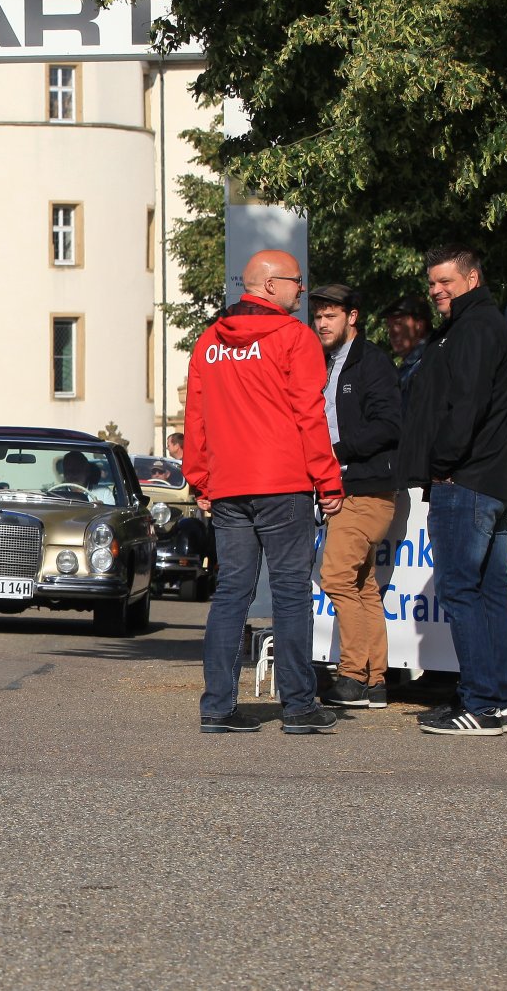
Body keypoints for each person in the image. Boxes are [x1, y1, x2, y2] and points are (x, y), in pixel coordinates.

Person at [185, 250, 344, 735]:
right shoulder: (295, 338)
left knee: (231, 592)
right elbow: (309, 414)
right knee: (291, 593)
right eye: (297, 281)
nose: (302, 289)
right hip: (283, 483)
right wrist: (328, 479)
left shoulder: (209, 341)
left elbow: (196, 417)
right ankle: (298, 707)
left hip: (230, 486)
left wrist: (200, 479)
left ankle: (217, 707)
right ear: (271, 285)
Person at [397, 245, 507, 736]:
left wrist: (442, 464)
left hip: (466, 481)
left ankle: (481, 703)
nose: (436, 290)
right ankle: (497, 701)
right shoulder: (490, 326)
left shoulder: (473, 328)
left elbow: (466, 406)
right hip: (490, 481)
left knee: (460, 589)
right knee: (491, 593)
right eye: (431, 283)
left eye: (445, 281)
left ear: (472, 279)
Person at [308, 284, 402, 710]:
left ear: (352, 317)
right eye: (318, 316)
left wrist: (336, 452)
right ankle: (376, 680)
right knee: (363, 586)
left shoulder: (372, 362)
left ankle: (352, 676)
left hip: (365, 488)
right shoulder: (328, 362)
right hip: (348, 487)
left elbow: (389, 425)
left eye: (331, 315)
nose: (322, 323)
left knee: (335, 578)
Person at [381, 296, 431, 408]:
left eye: (398, 324)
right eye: (389, 326)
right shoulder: (409, 366)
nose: (392, 333)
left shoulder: (428, 363)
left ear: (419, 325)